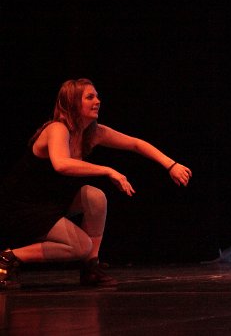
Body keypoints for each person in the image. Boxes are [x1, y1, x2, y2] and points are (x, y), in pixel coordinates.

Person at [0, 78, 192, 288]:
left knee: (95, 197)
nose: (97, 101)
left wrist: (170, 165)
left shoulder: (92, 133)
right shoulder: (57, 129)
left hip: (54, 201)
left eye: (97, 96)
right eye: (90, 97)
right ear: (73, 102)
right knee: (80, 246)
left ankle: (90, 267)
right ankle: (7, 258)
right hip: (24, 207)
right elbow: (61, 164)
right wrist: (108, 170)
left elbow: (135, 144)